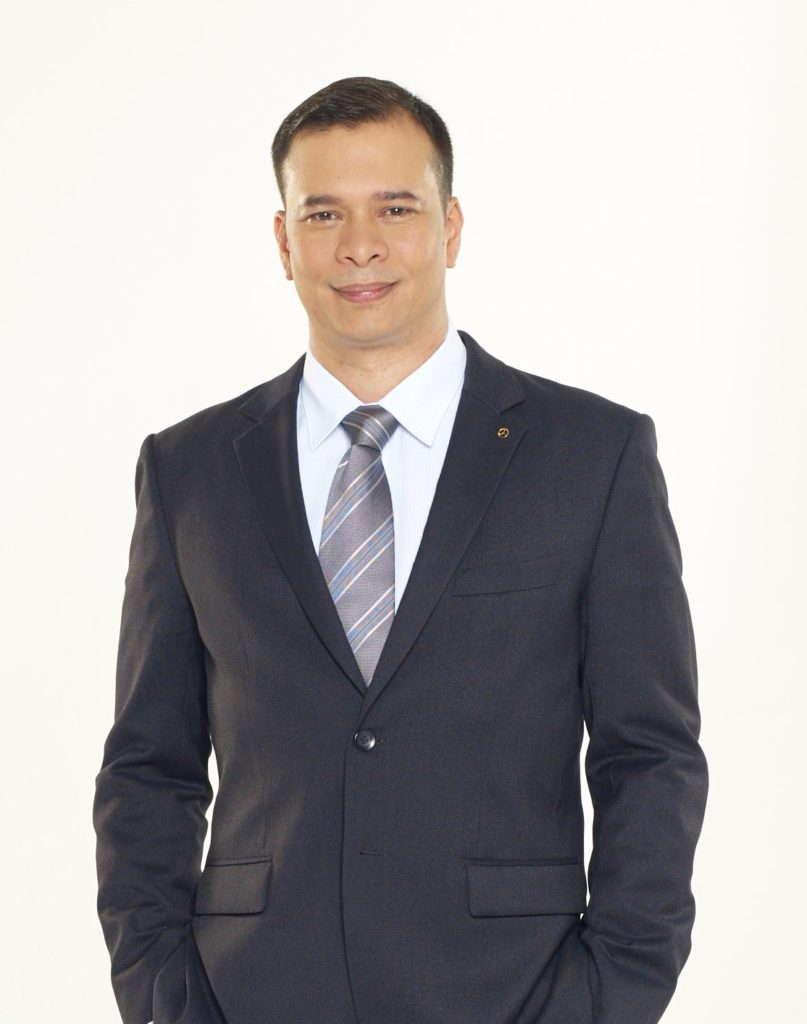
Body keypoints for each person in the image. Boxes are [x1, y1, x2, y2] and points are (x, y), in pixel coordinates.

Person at [93, 76, 708, 1024]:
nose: (359, 245)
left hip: (514, 991)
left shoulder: (592, 456)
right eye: (323, 213)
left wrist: (608, 996)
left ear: (450, 227)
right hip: (252, 993)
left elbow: (649, 755)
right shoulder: (191, 470)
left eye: (395, 208)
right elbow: (149, 766)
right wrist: (162, 995)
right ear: (283, 241)